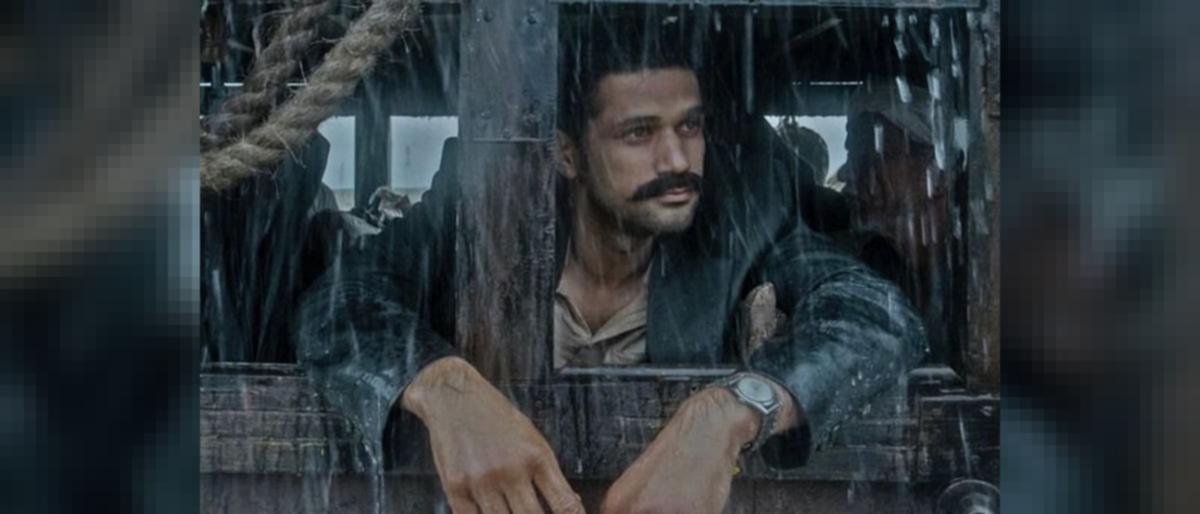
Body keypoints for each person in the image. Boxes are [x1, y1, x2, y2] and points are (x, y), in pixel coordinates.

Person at [291, 19, 926, 514]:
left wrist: (732, 411)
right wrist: (443, 387)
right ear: (567, 155)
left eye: (690, 127)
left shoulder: (742, 217)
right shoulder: (482, 210)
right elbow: (338, 301)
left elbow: (877, 313)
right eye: (638, 133)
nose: (677, 160)